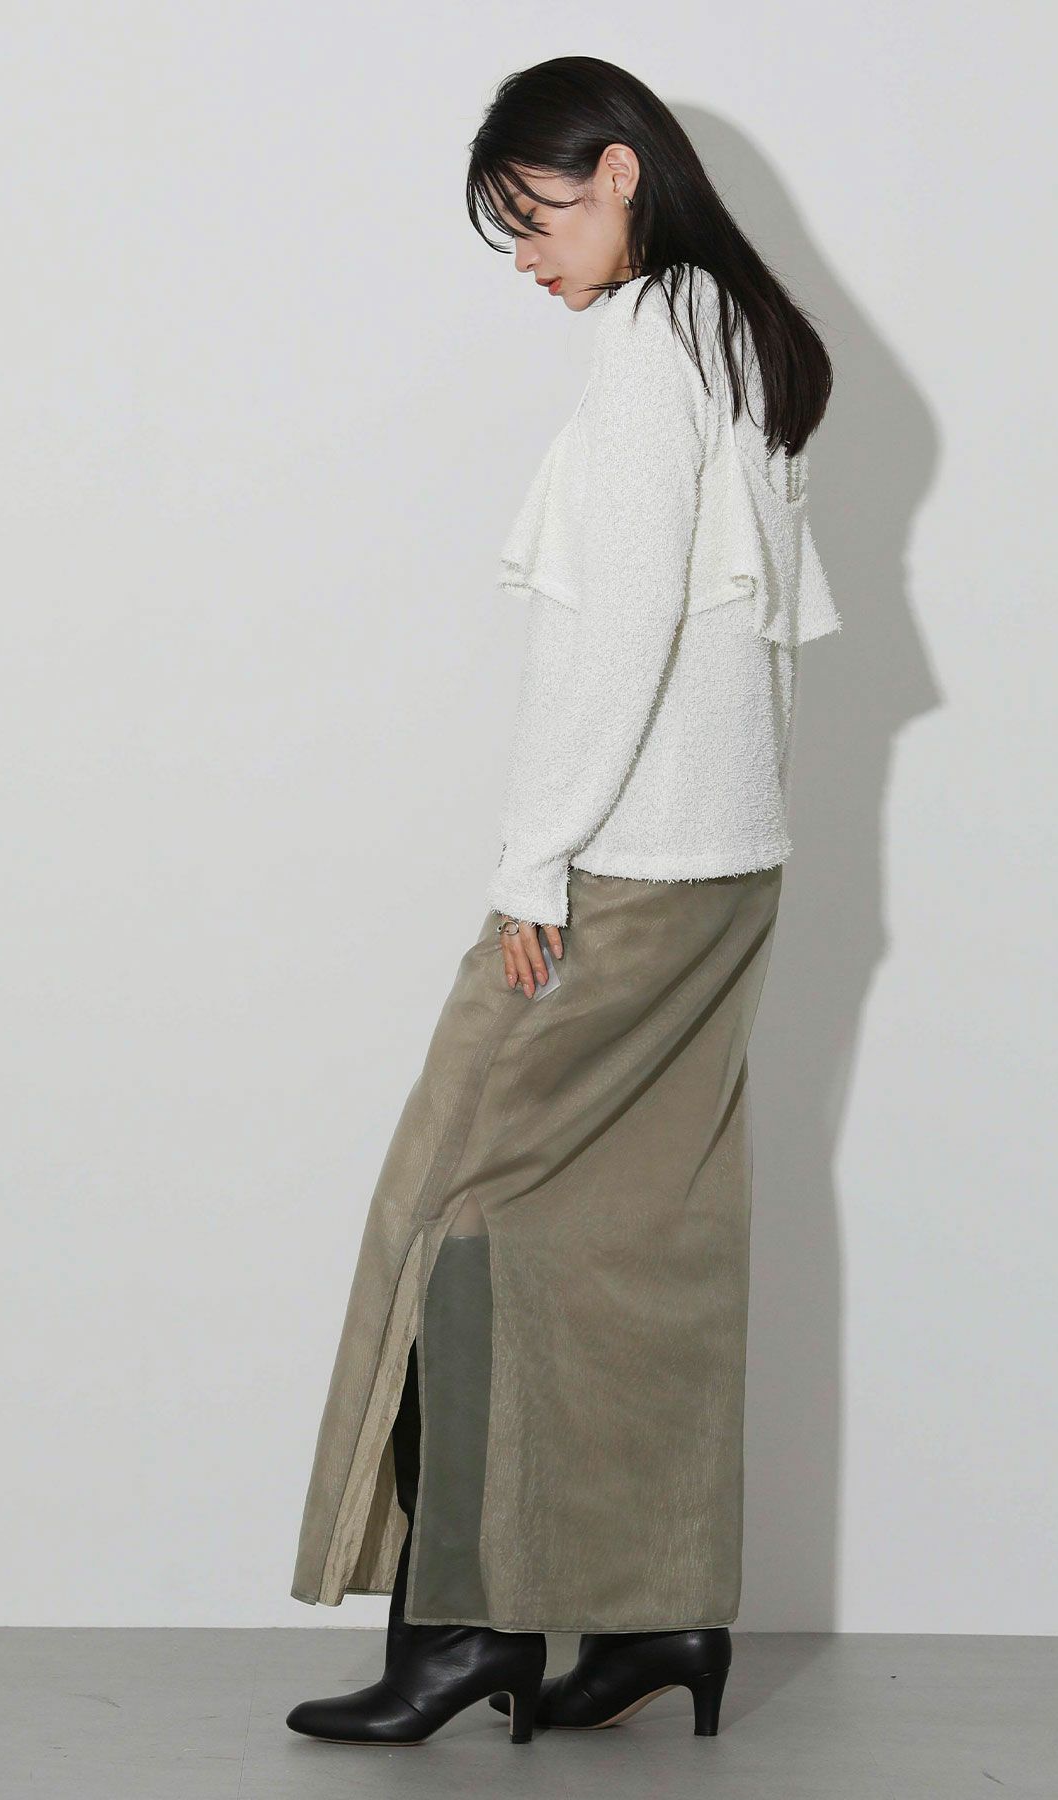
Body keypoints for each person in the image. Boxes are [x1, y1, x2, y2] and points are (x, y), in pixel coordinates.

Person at [284, 54, 840, 1749]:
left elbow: (625, 632)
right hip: (730, 866)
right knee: (642, 1233)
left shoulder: (649, 344)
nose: (526, 258)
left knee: (449, 1206)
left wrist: (536, 860)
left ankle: (466, 1627)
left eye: (534, 217)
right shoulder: (739, 333)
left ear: (618, 173)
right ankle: (661, 1610)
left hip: (625, 867)